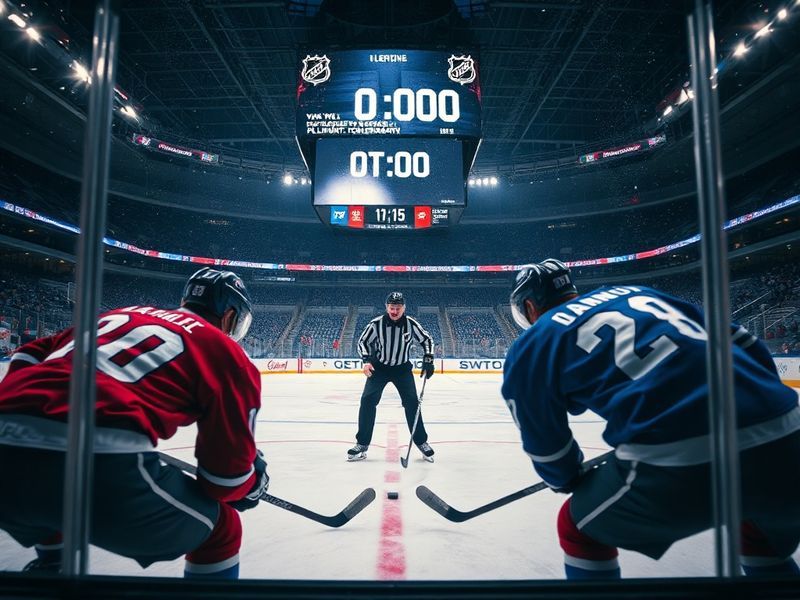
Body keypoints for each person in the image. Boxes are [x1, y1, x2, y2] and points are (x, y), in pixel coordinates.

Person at [502, 259, 800, 579]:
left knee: (579, 527)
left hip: (682, 460)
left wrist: (567, 478)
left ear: (530, 306)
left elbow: (546, 444)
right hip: (789, 436)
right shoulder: (638, 293)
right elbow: (743, 341)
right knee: (757, 531)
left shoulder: (533, 342)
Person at [0, 267, 267, 579]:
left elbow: (28, 355)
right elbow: (224, 481)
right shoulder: (226, 352)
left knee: (46, 490)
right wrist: (251, 483)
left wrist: (26, 416)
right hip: (99, 465)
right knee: (220, 528)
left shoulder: (122, 315)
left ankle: (54, 565)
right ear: (230, 315)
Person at [347, 291, 436, 462]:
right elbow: (363, 342)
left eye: (398, 308)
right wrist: (366, 361)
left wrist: (428, 359)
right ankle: (362, 444)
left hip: (402, 369)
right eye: (391, 308)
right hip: (379, 368)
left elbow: (427, 340)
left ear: (404, 308)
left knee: (412, 403)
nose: (394, 311)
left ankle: (421, 442)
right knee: (367, 400)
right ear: (386, 307)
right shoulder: (376, 324)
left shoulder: (411, 324)